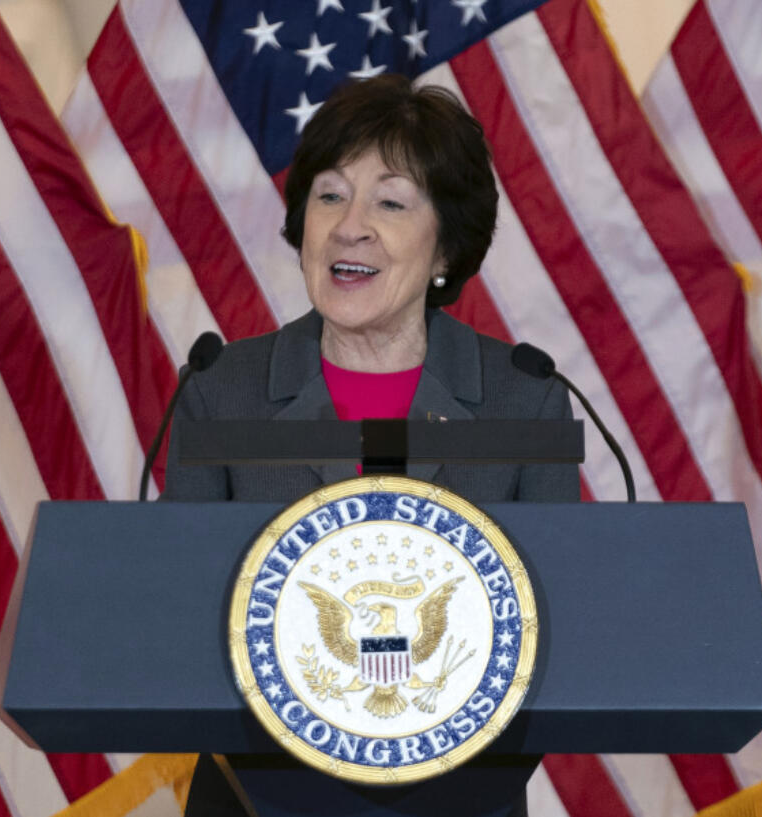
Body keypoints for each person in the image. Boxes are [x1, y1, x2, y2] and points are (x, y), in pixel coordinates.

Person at [162, 74, 578, 816]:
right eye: (328, 195)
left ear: (446, 244)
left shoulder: (526, 399)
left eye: (390, 201)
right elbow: (176, 618)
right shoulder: (221, 388)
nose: (349, 225)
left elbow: (556, 637)